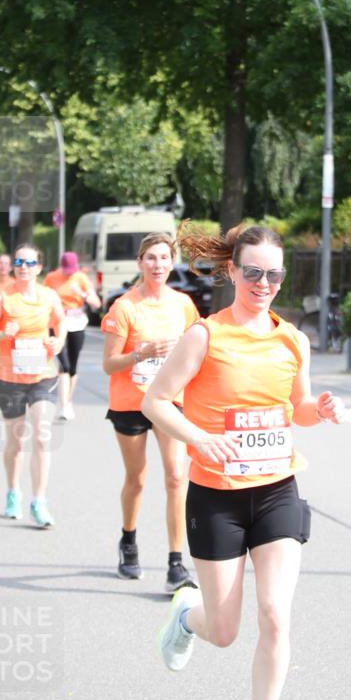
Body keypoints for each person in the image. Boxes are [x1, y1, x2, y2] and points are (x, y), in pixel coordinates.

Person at [142, 223, 344, 700]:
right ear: (232, 271)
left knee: (276, 614)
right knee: (226, 631)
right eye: (252, 271)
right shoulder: (205, 336)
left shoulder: (292, 338)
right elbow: (156, 402)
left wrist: (318, 412)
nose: (263, 282)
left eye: (273, 274)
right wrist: (200, 438)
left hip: (277, 490)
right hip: (216, 498)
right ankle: (189, 614)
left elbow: (296, 408)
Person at [101, 233, 199, 593]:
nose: (158, 265)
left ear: (171, 262)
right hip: (131, 402)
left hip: (169, 401)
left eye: (163, 258)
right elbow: (109, 364)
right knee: (137, 478)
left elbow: (196, 352)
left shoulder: (184, 305)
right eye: (151, 259)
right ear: (140, 263)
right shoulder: (124, 307)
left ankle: (176, 563)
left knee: (176, 477)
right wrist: (141, 354)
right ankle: (129, 540)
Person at [0, 244, 66, 528]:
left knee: (41, 435)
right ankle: (13, 491)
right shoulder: (3, 298)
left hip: (42, 374)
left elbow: (61, 322)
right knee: (16, 442)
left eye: (29, 263)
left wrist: (58, 341)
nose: (23, 267)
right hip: (10, 378)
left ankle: (39, 500)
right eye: (18, 262)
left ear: (39, 267)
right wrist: (2, 332)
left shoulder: (49, 296)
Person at [44, 251, 101, 420]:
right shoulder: (52, 277)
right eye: (67, 270)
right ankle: (64, 406)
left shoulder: (81, 278)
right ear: (61, 266)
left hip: (76, 322)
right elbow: (44, 299)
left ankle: (67, 401)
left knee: (73, 366)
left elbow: (97, 304)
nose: (69, 273)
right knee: (64, 365)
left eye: (72, 270)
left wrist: (82, 294)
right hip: (57, 322)